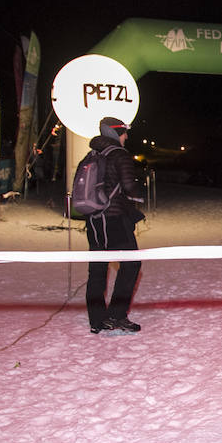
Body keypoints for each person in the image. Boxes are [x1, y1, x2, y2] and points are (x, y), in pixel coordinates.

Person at [84, 117, 145, 334]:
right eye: (124, 132)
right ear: (116, 133)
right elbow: (128, 186)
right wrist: (137, 198)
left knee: (97, 268)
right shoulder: (120, 155)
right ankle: (117, 315)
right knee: (131, 264)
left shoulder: (92, 154)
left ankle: (96, 320)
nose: (126, 136)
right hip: (115, 219)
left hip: (93, 220)